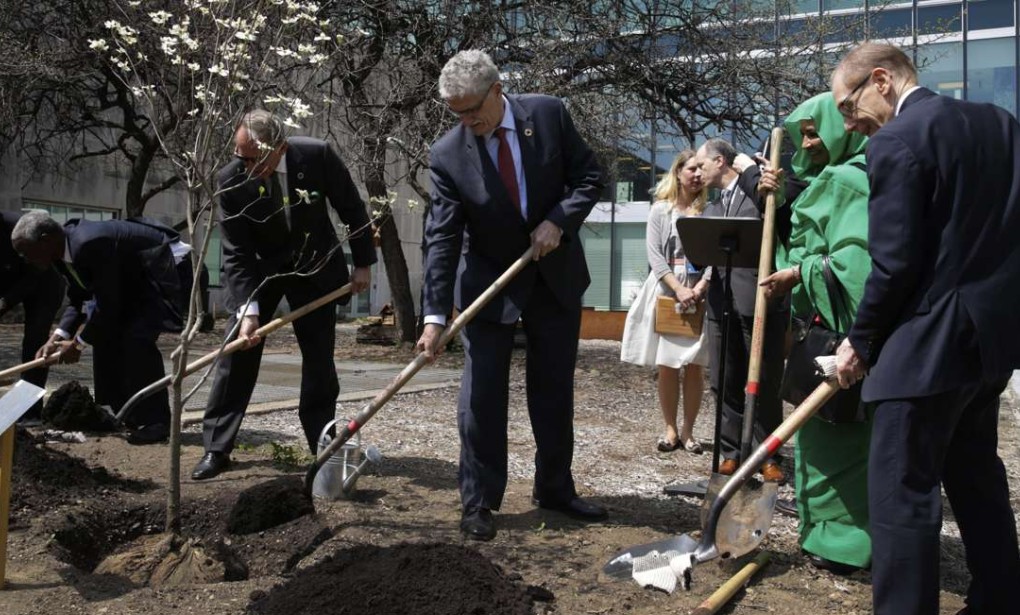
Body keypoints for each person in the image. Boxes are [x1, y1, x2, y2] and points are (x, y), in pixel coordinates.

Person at [810, 42, 1020, 615]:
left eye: (849, 105)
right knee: (976, 477)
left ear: (882, 80)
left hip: (928, 346)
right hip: (991, 343)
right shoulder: (1002, 127)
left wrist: (860, 341)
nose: (849, 122)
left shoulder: (897, 143)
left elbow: (895, 262)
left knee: (902, 487)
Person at [415, 50, 606, 541]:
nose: (466, 121)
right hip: (488, 286)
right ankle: (478, 500)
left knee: (553, 389)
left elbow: (589, 176)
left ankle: (555, 488)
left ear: (497, 91)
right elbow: (441, 239)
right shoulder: (448, 155)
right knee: (480, 397)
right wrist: (434, 316)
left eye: (472, 109)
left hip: (552, 276)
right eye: (456, 112)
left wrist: (558, 222)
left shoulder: (547, 114)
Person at [192, 109, 376, 480]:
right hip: (261, 270)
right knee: (237, 354)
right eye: (238, 156)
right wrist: (248, 310)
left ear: (278, 148)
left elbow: (351, 207)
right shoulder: (231, 179)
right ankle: (216, 446)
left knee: (319, 360)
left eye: (251, 158)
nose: (243, 166)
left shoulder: (316, 156)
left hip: (313, 267)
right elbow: (236, 251)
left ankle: (321, 446)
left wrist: (362, 264)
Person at [758, 93, 872, 576]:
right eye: (802, 132)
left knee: (839, 444)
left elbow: (855, 267)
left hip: (843, 339)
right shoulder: (842, 177)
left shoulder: (850, 181)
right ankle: (824, 533)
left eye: (814, 130)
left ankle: (844, 545)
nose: (807, 141)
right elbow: (810, 236)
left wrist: (797, 275)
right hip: (831, 334)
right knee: (823, 441)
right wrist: (781, 202)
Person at [12, 211, 192, 444]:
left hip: (165, 267)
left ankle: (156, 422)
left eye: (26, 251)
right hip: (134, 279)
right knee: (106, 337)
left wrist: (78, 344)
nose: (24, 258)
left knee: (135, 339)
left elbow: (108, 304)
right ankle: (126, 413)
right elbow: (80, 297)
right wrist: (57, 337)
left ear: (46, 240)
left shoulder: (88, 244)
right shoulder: (61, 255)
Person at [693, 139, 788, 483]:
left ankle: (767, 455)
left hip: (759, 301)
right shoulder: (714, 207)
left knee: (763, 378)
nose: (697, 172)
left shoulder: (758, 195)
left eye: (702, 165)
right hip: (722, 304)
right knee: (724, 379)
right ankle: (732, 452)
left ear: (720, 161)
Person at [620, 150, 709, 455]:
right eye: (691, 169)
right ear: (678, 172)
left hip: (700, 292)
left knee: (695, 365)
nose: (697, 174)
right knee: (668, 364)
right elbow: (655, 256)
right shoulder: (660, 210)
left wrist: (701, 286)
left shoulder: (709, 209)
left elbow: (717, 254)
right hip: (667, 290)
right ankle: (670, 429)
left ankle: (689, 431)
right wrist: (678, 288)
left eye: (701, 168)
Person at [0, 210, 66, 420]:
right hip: (10, 280)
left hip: (43, 283)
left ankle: (29, 409)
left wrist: (5, 302)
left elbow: (36, 271)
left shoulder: (17, 229)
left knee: (35, 343)